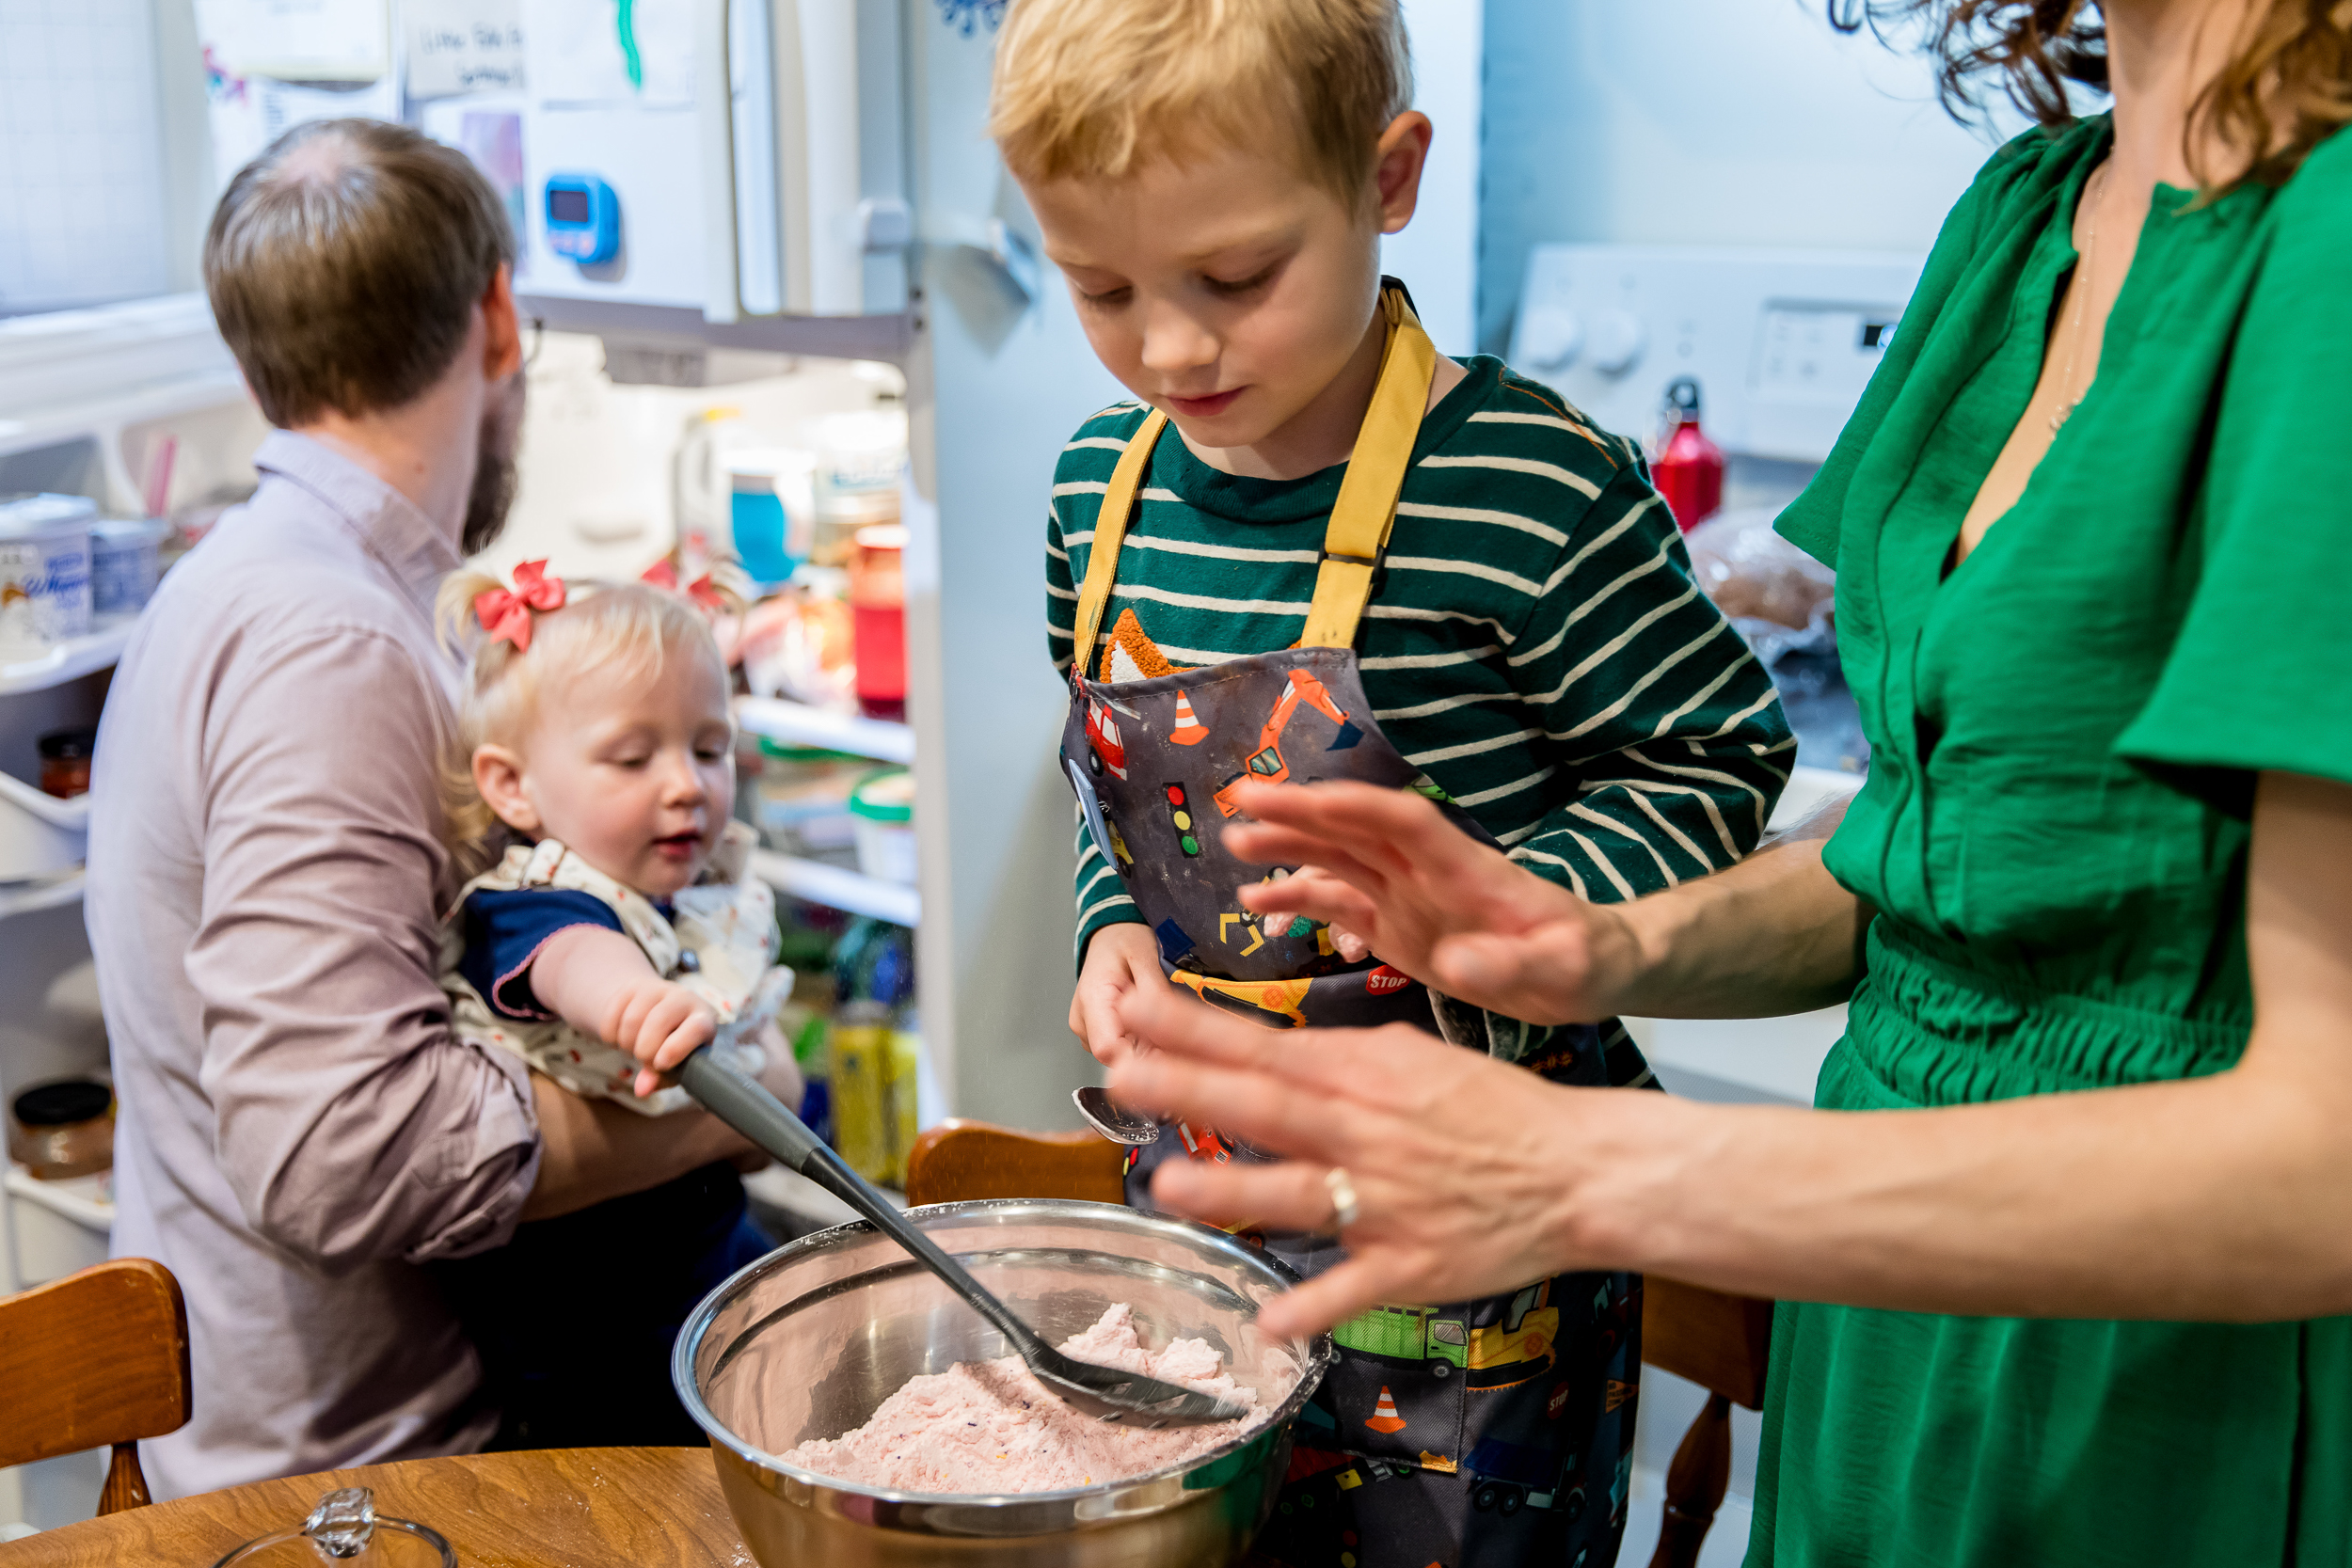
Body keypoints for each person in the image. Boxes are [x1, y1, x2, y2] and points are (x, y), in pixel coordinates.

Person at [1099, 2, 2352, 1563]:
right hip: (1883, 1347)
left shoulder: (2329, 253)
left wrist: (1586, 1165)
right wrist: (1584, 942)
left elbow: (2327, 1156)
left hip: (2161, 1379)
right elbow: (1922, 856)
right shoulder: (2033, 209)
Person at [989, 1, 1792, 1560]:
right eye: (1100, 288)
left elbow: (1713, 760)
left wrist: (1506, 905)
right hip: (1217, 1202)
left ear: (1391, 177)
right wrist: (1110, 925)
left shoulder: (1525, 480)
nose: (1169, 347)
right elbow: (1113, 788)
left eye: (1235, 278)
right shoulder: (1102, 488)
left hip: (1492, 1231)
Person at [85, 119, 757, 1496]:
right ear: (498, 316)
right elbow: (342, 1153)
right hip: (362, 1470)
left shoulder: (257, 580)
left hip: (318, 1417)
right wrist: (726, 1104)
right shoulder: (330, 644)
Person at [424, 568, 803, 1448]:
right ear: (513, 787)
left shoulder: (682, 898)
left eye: (708, 749)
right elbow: (572, 963)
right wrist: (635, 1003)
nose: (685, 785)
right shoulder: (534, 897)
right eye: (633, 758)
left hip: (703, 1256)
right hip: (587, 1331)